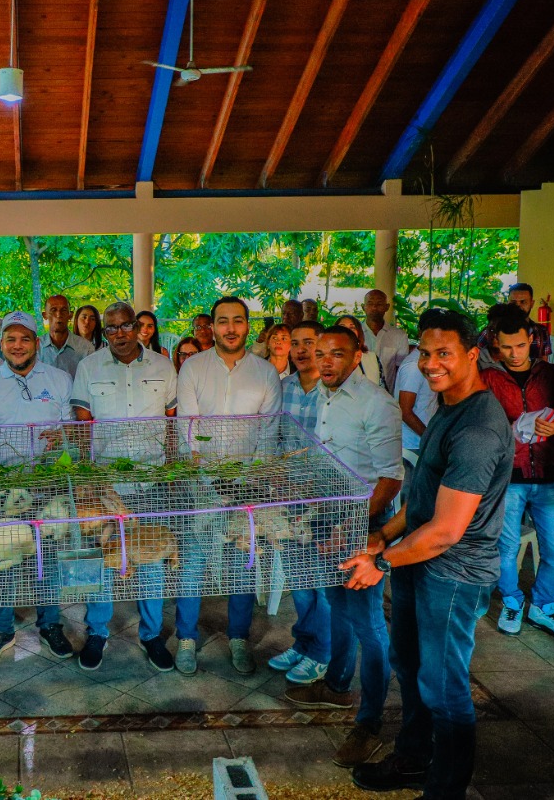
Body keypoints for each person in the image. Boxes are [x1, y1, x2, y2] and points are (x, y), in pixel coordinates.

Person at [345, 308, 512, 799]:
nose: (431, 363)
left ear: (472, 355)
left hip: (453, 573)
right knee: (410, 662)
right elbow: (422, 499)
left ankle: (445, 790)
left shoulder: (478, 428)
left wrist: (380, 563)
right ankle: (413, 759)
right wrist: (383, 536)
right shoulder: (447, 405)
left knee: (442, 684)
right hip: (418, 561)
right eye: (424, 352)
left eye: (444, 353)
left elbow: (445, 530)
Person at [285, 325, 403, 768]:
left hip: (363, 522)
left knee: (369, 623)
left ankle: (369, 723)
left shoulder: (376, 403)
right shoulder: (323, 396)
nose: (325, 361)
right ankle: (336, 686)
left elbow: (391, 479)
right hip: (327, 515)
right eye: (320, 353)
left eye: (336, 353)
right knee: (337, 604)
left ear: (357, 356)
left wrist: (352, 527)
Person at [174, 296, 280, 676]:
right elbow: (188, 428)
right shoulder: (193, 368)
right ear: (212, 326)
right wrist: (208, 480)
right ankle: (186, 638)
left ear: (248, 325)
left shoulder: (265, 373)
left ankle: (238, 637)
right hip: (202, 483)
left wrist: (247, 482)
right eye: (223, 321)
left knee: (243, 560)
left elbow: (268, 434)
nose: (230, 328)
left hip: (246, 483)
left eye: (237, 320)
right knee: (193, 559)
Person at [70, 301, 178, 672]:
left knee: (151, 560)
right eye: (111, 328)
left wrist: (170, 471)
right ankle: (97, 632)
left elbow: (173, 421)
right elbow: (82, 424)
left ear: (138, 326)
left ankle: (151, 635)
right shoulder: (89, 366)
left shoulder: (163, 366)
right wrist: (86, 479)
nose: (119, 334)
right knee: (102, 558)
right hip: (106, 486)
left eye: (125, 325)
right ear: (105, 332)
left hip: (150, 481)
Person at [0, 311, 77, 663]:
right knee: (1, 557)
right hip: (0, 489)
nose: (17, 345)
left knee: (48, 556)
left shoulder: (59, 379)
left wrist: (63, 436)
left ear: (36, 343)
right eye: (10, 339)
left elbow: (73, 429)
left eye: (25, 338)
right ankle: (2, 629)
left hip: (45, 482)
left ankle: (50, 625)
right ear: (1, 344)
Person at [483, 313, 554, 641]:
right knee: (507, 546)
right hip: (508, 477)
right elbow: (477, 421)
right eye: (507, 347)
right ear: (496, 345)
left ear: (531, 341)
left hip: (550, 476)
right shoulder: (488, 378)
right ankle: (512, 601)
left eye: (520, 346)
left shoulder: (552, 374)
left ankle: (543, 607)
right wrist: (505, 431)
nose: (514, 354)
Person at [272, 320, 331, 685]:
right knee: (299, 577)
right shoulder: (284, 388)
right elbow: (275, 438)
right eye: (296, 343)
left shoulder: (334, 390)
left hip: (325, 500)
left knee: (322, 580)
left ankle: (322, 653)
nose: (301, 350)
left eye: (310, 342)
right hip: (290, 497)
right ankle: (303, 643)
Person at [477, 284, 551, 362]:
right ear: (508, 302)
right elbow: (476, 357)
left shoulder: (541, 332)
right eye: (513, 302)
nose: (518, 306)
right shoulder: (492, 331)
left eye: (523, 302)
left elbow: (544, 364)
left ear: (532, 303)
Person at [361, 289, 410, 391]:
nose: (374, 307)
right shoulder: (355, 334)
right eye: (370, 303)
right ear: (363, 307)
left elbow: (401, 370)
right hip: (359, 393)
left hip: (387, 394)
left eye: (379, 304)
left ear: (387, 307)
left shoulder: (399, 335)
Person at [39, 295, 95, 377]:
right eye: (53, 310)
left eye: (64, 310)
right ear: (45, 315)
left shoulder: (86, 348)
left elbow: (91, 379)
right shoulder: (35, 347)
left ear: (70, 315)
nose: (58, 315)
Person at [393, 347, 436, 454]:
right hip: (411, 443)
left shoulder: (427, 362)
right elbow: (405, 411)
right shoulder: (413, 367)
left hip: (420, 441)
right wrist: (430, 438)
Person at [334, 316, 384, 387]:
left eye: (352, 328)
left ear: (359, 333)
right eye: (342, 327)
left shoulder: (372, 358)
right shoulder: (328, 358)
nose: (347, 331)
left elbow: (382, 389)